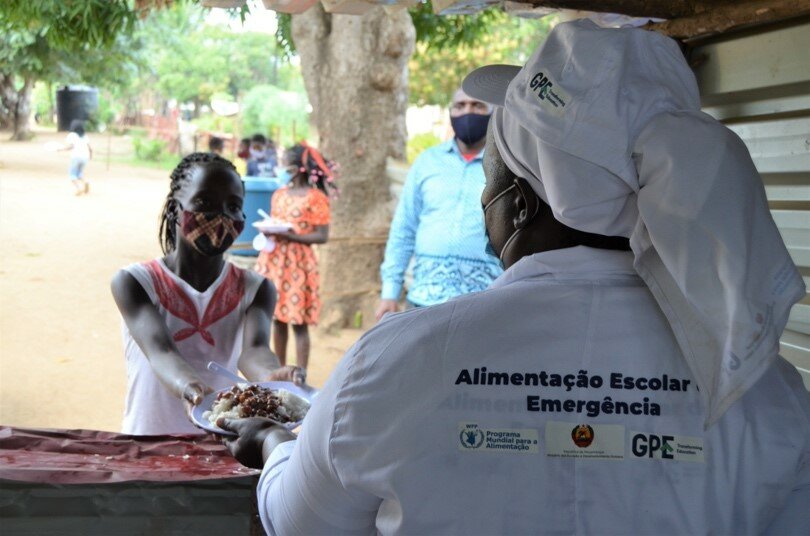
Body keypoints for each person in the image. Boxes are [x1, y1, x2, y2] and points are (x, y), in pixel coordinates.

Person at [220, 20, 809, 534]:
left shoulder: (395, 363)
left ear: (521, 203)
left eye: (489, 185)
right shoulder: (766, 391)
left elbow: (302, 524)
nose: (483, 202)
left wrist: (276, 446)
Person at [111, 152, 303, 436]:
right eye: (204, 203)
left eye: (233, 206)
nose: (221, 215)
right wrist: (191, 388)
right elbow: (160, 351)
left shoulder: (256, 288)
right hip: (148, 441)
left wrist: (270, 377)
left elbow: (255, 350)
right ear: (176, 209)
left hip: (222, 441)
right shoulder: (135, 282)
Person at [375, 88, 502, 321]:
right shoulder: (427, 163)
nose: (468, 111)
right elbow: (404, 228)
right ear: (450, 113)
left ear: (494, 113)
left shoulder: (505, 166)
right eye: (460, 106)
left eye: (477, 105)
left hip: (483, 305)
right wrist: (390, 292)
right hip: (423, 302)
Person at [253, 143, 336, 381]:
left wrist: (289, 235)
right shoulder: (279, 194)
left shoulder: (316, 198)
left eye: (286, 163)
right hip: (275, 262)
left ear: (299, 167)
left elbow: (322, 235)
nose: (282, 168)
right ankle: (281, 371)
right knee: (278, 318)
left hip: (299, 266)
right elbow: (273, 222)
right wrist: (269, 232)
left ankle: (300, 376)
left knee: (298, 322)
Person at [59, 119, 92, 196]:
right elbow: (90, 148)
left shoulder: (72, 135)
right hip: (85, 157)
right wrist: (90, 157)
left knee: (72, 175)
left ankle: (78, 188)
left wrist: (61, 149)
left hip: (76, 157)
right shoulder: (85, 136)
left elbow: (71, 146)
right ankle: (85, 182)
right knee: (79, 173)